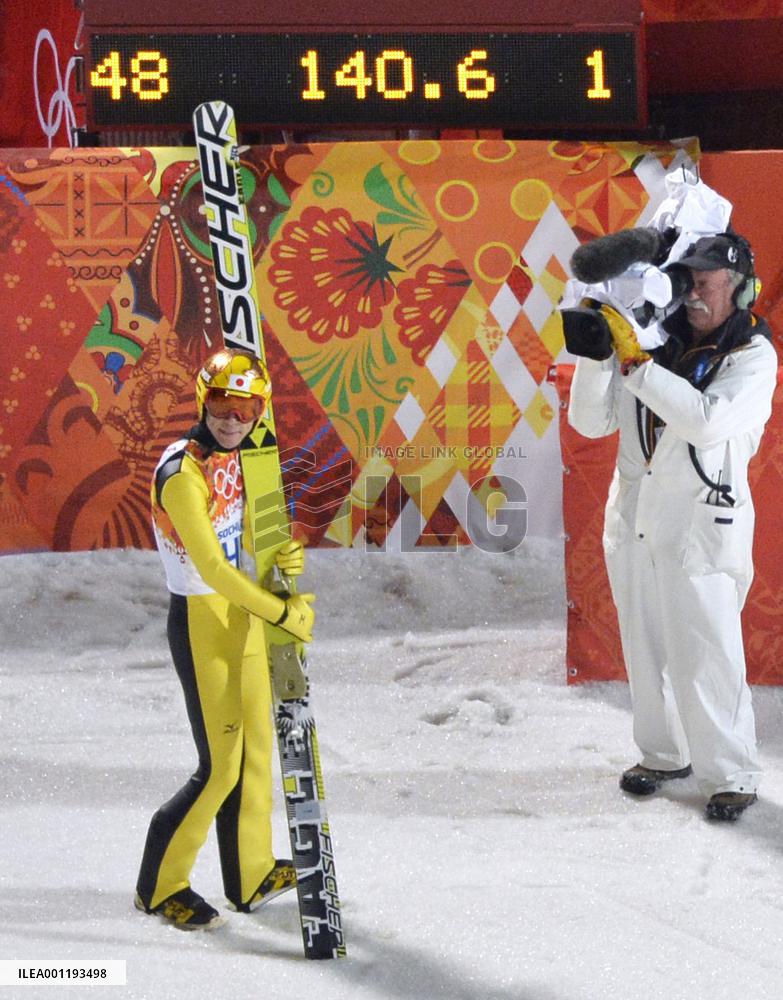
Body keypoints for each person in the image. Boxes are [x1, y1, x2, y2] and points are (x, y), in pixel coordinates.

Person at [567, 232, 778, 821]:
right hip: (635, 518)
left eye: (704, 283)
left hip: (703, 523)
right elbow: (590, 423)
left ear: (739, 288)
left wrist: (634, 361)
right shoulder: (654, 341)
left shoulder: (754, 355)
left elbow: (706, 423)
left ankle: (731, 773)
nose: (690, 296)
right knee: (645, 645)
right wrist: (596, 351)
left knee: (707, 652)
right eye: (684, 281)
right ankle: (662, 755)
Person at [135, 347, 315, 929]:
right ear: (201, 398)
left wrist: (277, 556)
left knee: (257, 746)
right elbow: (210, 568)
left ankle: (250, 872)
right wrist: (280, 611)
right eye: (220, 402)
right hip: (202, 620)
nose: (231, 417)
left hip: (241, 614)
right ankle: (160, 885)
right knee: (220, 766)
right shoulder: (181, 472)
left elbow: (246, 536)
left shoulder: (244, 454)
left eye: (245, 405)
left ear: (260, 409)